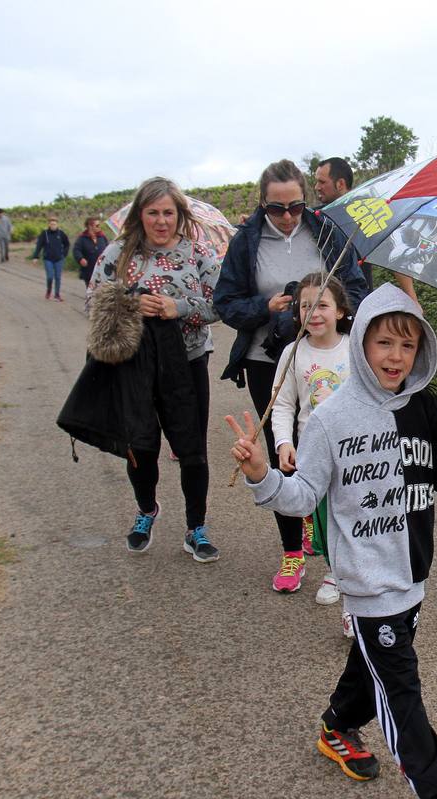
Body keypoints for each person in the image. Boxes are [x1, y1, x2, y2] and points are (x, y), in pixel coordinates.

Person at [227, 283, 437, 799]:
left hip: (412, 572)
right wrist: (261, 475)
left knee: (373, 666)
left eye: (409, 345)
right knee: (399, 685)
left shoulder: (421, 406)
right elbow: (302, 498)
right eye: (385, 342)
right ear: (361, 342)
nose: (396, 357)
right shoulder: (332, 418)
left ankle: (336, 726)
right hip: (368, 581)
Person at [214, 159, 368, 592]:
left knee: (339, 453)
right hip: (270, 360)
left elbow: (357, 289)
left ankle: (342, 559)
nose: (286, 217)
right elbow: (225, 303)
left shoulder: (325, 230)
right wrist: (266, 308)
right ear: (262, 204)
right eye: (276, 209)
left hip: (326, 356)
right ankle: (292, 552)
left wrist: (326, 308)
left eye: (295, 207)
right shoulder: (246, 241)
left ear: (306, 200)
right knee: (282, 452)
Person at [69, 176, 222, 562]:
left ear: (179, 214)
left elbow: (221, 305)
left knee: (192, 447)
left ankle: (196, 527)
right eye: (153, 212)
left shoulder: (197, 253)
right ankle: (146, 510)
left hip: (187, 362)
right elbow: (92, 301)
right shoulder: (118, 254)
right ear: (141, 214)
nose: (161, 220)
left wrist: (179, 308)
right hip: (134, 367)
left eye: (168, 212)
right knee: (140, 445)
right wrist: (131, 304)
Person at [270, 272, 353, 615]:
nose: (314, 313)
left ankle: (351, 594)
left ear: (340, 311)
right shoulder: (292, 353)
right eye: (306, 306)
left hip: (354, 451)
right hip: (313, 452)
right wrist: (283, 443)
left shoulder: (356, 348)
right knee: (327, 519)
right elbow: (283, 404)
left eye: (322, 305)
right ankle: (335, 571)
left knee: (352, 517)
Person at [314, 157, 418, 303]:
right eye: (317, 181)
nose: (316, 187)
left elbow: (393, 252)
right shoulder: (315, 217)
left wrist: (412, 299)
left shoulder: (365, 212)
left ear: (340, 183)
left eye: (322, 182)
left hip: (358, 302)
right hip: (323, 305)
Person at [30, 216, 71, 300]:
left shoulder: (61, 233)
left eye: (55, 224)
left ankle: (57, 294)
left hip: (59, 259)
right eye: (51, 224)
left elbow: (67, 244)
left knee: (58, 277)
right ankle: (49, 290)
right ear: (49, 224)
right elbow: (39, 245)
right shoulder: (44, 233)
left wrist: (64, 254)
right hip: (48, 259)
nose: (53, 226)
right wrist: (35, 257)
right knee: (50, 276)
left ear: (57, 224)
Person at [72, 217, 109, 289]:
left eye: (99, 225)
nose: (99, 227)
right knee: (91, 291)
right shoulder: (82, 238)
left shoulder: (102, 237)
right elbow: (76, 250)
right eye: (97, 225)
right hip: (89, 270)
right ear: (90, 226)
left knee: (101, 290)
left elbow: (108, 249)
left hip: (102, 269)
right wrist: (80, 259)